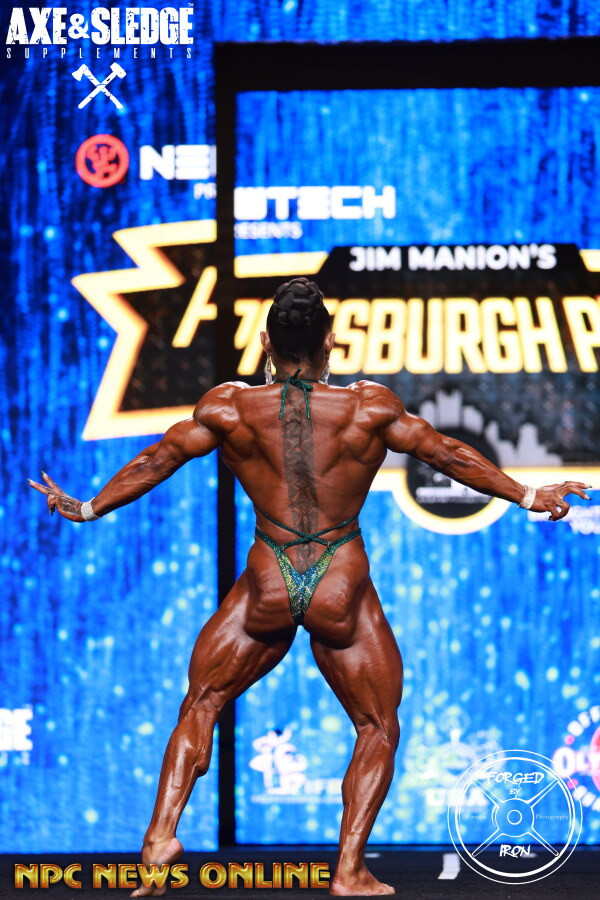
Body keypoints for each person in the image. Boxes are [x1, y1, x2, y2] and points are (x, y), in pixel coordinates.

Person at [29, 277, 591, 897]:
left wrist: (87, 508)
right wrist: (529, 494)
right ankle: (348, 870)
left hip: (269, 578)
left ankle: (161, 836)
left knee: (202, 704)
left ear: (266, 343)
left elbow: (156, 460)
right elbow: (449, 454)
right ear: (330, 342)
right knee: (377, 726)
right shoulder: (369, 407)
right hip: (340, 581)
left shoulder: (228, 407)